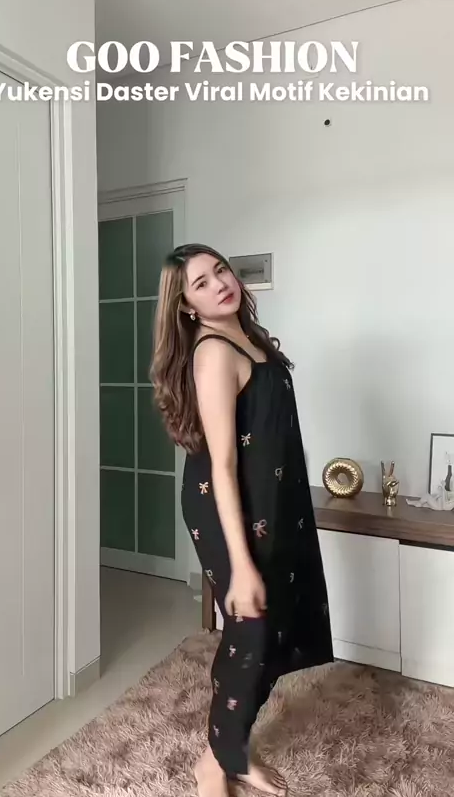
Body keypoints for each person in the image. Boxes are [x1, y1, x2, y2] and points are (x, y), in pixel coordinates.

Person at [150, 243, 333, 797]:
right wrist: (242, 564)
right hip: (228, 505)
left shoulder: (250, 337)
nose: (219, 284)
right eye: (201, 284)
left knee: (273, 627)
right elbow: (222, 465)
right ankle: (215, 762)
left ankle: (227, 749)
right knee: (250, 631)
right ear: (187, 306)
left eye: (220, 271)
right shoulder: (213, 353)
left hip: (271, 503)